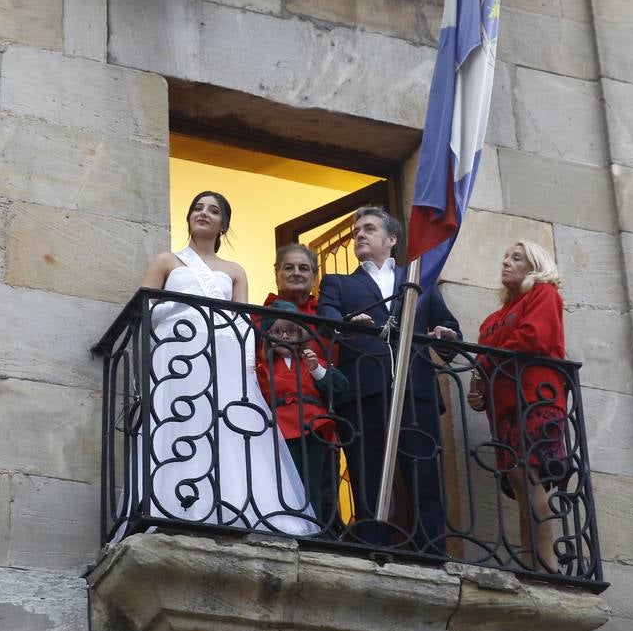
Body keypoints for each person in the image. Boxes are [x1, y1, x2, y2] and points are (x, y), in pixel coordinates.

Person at [130, 191, 316, 537]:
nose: (204, 213)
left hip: (225, 353)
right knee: (182, 422)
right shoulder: (166, 261)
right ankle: (180, 504)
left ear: (223, 225)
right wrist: (183, 307)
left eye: (213, 211)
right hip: (178, 352)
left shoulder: (234, 270)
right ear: (188, 217)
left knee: (228, 426)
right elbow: (143, 312)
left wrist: (247, 364)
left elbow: (242, 322)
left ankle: (235, 505)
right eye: (198, 208)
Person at [317, 206, 459, 553]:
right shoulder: (339, 282)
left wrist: (446, 335)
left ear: (391, 239)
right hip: (364, 391)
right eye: (356, 231)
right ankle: (372, 550)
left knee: (423, 475)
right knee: (366, 474)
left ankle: (432, 553)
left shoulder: (419, 282)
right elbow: (327, 320)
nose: (359, 235)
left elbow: (451, 329)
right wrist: (349, 323)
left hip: (415, 390)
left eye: (368, 229)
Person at [466, 240, 569, 573]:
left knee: (528, 478)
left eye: (516, 258)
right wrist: (477, 389)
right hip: (504, 410)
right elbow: (482, 364)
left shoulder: (544, 294)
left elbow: (533, 338)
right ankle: (531, 561)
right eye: (505, 257)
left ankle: (545, 561)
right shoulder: (492, 319)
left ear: (535, 266)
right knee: (521, 483)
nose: (506, 263)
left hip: (534, 399)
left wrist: (488, 363)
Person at [255, 300, 348, 521]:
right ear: (268, 336)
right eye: (277, 331)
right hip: (279, 429)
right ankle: (288, 524)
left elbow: (340, 386)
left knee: (311, 482)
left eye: (290, 331)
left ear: (300, 335)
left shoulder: (312, 361)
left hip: (312, 426)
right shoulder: (262, 367)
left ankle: (312, 527)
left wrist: (317, 370)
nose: (284, 336)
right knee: (284, 480)